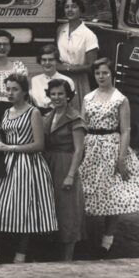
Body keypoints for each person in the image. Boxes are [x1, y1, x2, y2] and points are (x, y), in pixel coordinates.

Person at [79, 57, 139, 254]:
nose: (101, 76)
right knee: (86, 191)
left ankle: (107, 240)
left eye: (105, 72)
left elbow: (126, 130)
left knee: (113, 193)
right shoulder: (88, 98)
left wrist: (121, 159)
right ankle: (84, 237)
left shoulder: (120, 99)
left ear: (112, 74)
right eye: (97, 73)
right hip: (91, 146)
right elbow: (82, 125)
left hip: (111, 146)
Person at [0, 72, 57, 263]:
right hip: (7, 164)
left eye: (15, 89)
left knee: (25, 208)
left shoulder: (33, 112)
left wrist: (10, 147)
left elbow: (39, 145)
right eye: (7, 89)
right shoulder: (6, 112)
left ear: (24, 91)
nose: (10, 93)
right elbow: (5, 139)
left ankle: (21, 254)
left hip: (28, 165)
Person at [43, 78, 86, 262]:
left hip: (66, 163)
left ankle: (68, 256)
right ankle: (52, 252)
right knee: (52, 208)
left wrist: (70, 175)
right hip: (49, 163)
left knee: (68, 209)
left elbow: (79, 150)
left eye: (61, 93)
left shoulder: (75, 118)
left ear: (68, 96)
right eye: (53, 94)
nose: (57, 97)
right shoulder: (48, 116)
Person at [57, 0, 99, 99]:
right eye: (67, 7)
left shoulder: (89, 35)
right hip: (60, 78)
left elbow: (91, 66)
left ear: (81, 9)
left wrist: (68, 69)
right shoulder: (60, 29)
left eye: (74, 6)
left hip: (79, 80)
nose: (70, 10)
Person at [29, 45, 75, 112]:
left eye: (50, 60)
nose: (47, 63)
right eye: (44, 60)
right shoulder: (34, 80)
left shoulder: (67, 80)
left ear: (56, 61)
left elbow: (71, 107)